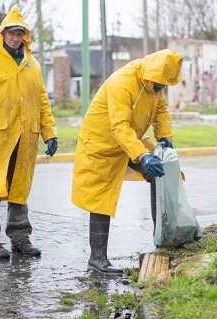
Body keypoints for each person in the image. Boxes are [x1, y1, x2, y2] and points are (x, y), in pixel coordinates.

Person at [72, 49, 183, 274]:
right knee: (100, 199)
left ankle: (162, 239)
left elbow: (161, 112)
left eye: (164, 86)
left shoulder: (155, 83)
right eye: (158, 84)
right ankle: (97, 260)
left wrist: (165, 139)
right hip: (101, 143)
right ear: (150, 73)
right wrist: (142, 156)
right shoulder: (122, 83)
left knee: (160, 175)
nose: (160, 89)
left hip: (130, 140)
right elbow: (119, 126)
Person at [0, 6, 57, 259]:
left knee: (19, 188)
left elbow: (42, 101)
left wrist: (50, 133)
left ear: (25, 36)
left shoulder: (32, 65)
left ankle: (20, 237)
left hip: (25, 137)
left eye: (19, 33)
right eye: (11, 33)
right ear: (2, 33)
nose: (15, 37)